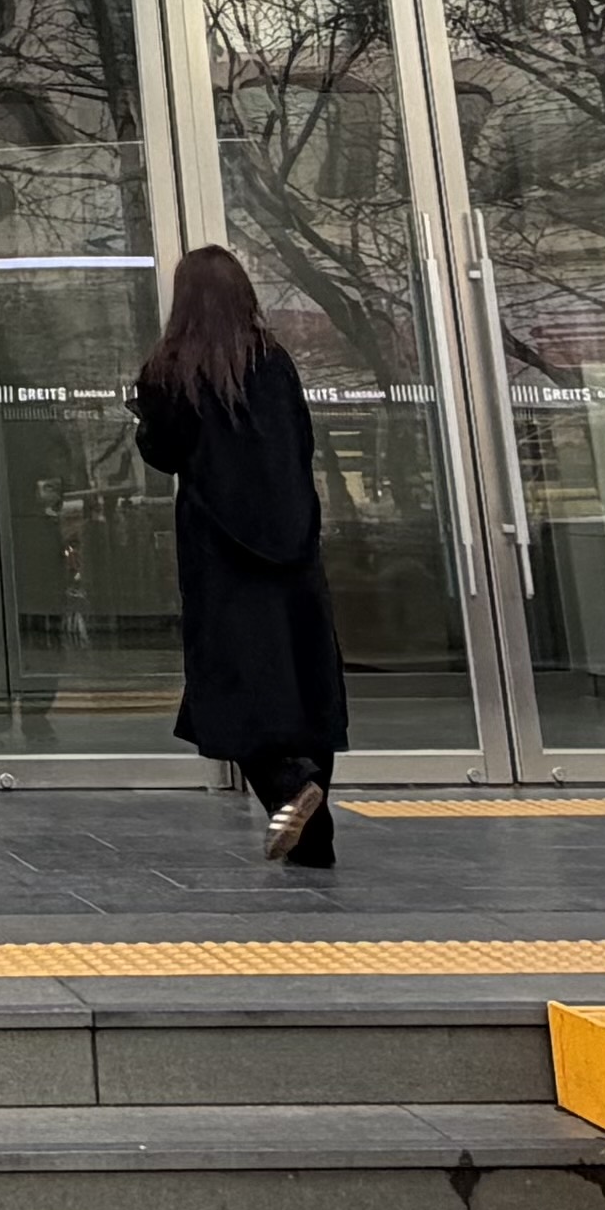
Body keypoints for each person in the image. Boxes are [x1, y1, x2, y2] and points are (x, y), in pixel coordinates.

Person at [129, 240, 344, 865]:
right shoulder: (274, 362)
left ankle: (290, 790)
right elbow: (299, 444)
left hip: (220, 554)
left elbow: (164, 453)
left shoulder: (171, 368)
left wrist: (144, 419)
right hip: (293, 550)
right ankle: (315, 844)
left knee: (231, 689)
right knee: (303, 689)